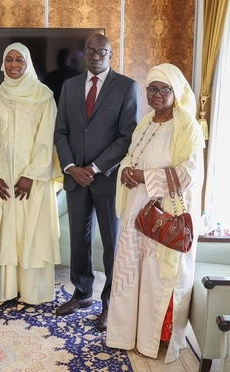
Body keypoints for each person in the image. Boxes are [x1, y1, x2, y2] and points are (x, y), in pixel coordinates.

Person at [105, 63, 204, 362]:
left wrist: (145, 177)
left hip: (164, 216)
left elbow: (190, 172)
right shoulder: (146, 122)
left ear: (176, 93)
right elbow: (130, 158)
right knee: (134, 275)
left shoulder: (187, 125)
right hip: (138, 213)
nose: (158, 94)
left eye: (164, 89)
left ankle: (155, 340)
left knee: (157, 279)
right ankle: (129, 334)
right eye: (152, 88)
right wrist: (125, 171)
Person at [53, 33, 139, 330]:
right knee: (79, 239)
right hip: (76, 179)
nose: (95, 55)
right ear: (84, 54)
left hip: (108, 179)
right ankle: (82, 293)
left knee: (112, 243)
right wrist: (72, 167)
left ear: (110, 54)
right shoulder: (69, 86)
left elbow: (127, 136)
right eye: (90, 50)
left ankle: (110, 304)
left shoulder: (127, 87)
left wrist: (96, 166)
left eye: (102, 51)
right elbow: (61, 132)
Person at [0, 42, 61, 307]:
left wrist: (31, 174)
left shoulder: (43, 95)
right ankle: (6, 291)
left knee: (31, 233)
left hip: (32, 183)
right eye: (9, 60)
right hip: (2, 181)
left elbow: (47, 138)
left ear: (28, 64)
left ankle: (32, 293)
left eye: (19, 61)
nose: (13, 65)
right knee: (7, 233)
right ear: (3, 64)